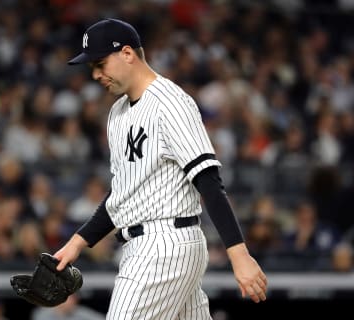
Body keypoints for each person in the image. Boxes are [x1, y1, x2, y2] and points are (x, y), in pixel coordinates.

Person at [54, 18, 268, 320]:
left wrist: (239, 255)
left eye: (100, 63)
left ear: (127, 53)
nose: (96, 74)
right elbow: (123, 193)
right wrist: (77, 243)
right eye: (92, 67)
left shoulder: (171, 103)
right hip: (151, 244)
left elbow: (208, 181)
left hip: (163, 245)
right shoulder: (117, 112)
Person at [31, 294, 104, 320]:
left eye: (74, 298)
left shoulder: (80, 311)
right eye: (70, 298)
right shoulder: (43, 313)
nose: (73, 301)